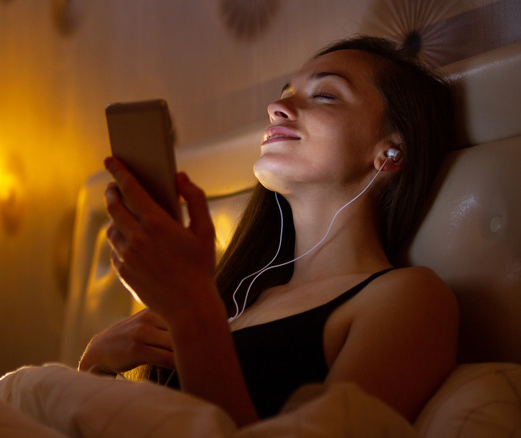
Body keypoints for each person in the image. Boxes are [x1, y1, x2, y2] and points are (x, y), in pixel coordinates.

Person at [78, 35, 459, 427]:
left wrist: (190, 310)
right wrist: (95, 364)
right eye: (284, 94)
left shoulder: (409, 297)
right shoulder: (234, 297)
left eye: (325, 95)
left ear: (390, 151)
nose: (277, 108)